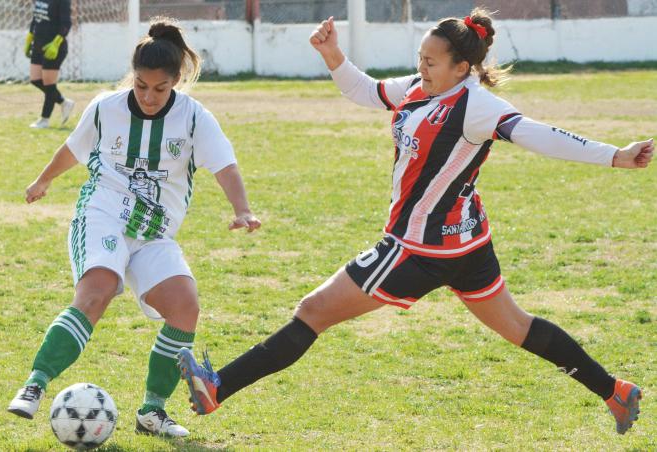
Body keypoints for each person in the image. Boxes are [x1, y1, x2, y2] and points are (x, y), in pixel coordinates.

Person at [178, 9, 651, 435]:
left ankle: (217, 388)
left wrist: (616, 157)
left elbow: (541, 136)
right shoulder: (420, 88)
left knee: (312, 311)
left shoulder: (477, 105)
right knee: (517, 327)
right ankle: (615, 391)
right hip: (466, 244)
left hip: (417, 249)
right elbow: (365, 91)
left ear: (462, 68)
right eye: (420, 57)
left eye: (430, 61)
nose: (421, 67)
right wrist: (334, 54)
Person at [8, 17, 261, 437]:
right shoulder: (106, 107)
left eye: (159, 88)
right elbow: (73, 148)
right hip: (103, 213)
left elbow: (225, 166)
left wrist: (243, 209)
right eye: (141, 85)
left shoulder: (195, 118)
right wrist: (43, 180)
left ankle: (152, 411)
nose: (148, 96)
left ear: (176, 81)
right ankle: (34, 385)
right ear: (133, 76)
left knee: (185, 306)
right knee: (98, 289)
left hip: (154, 231)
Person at [25, 0, 76, 129]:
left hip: (54, 47)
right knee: (35, 79)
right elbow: (36, 18)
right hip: (38, 44)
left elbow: (66, 24)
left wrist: (56, 43)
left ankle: (44, 119)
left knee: (49, 84)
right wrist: (29, 37)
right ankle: (64, 102)